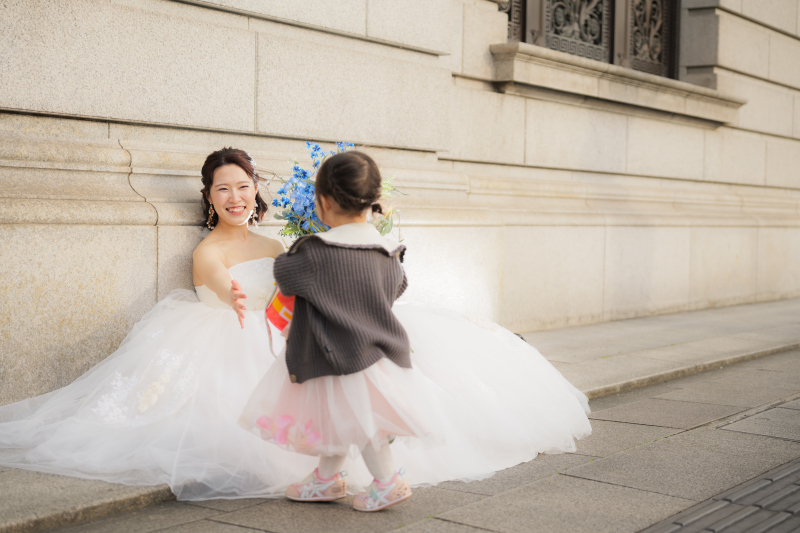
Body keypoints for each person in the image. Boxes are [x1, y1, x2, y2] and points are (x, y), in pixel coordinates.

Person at [0, 147, 591, 502]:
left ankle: (340, 476)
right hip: (248, 336)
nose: (234, 196)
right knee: (341, 404)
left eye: (242, 185)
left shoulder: (285, 240)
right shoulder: (213, 250)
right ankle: (350, 475)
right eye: (222, 189)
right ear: (208, 199)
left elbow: (320, 272)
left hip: (320, 331)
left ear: (256, 189)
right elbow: (229, 286)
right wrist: (255, 295)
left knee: (358, 395)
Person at [239, 151, 440, 511]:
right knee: (340, 417)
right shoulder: (390, 250)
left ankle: (387, 481)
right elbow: (397, 288)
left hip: (336, 352)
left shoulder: (315, 252)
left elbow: (284, 274)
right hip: (376, 351)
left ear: (325, 201)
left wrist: (306, 245)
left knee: (363, 424)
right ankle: (326, 479)